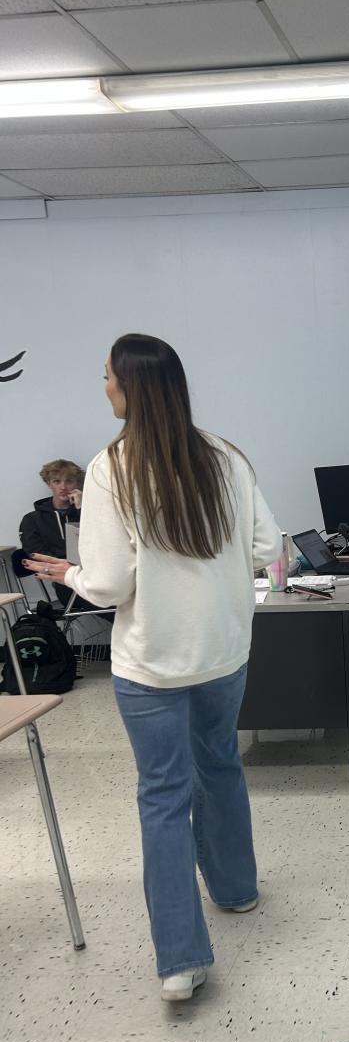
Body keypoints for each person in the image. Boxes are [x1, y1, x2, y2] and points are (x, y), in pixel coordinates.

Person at [25, 333, 282, 1002]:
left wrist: (69, 572)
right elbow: (267, 546)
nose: (104, 385)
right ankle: (237, 890)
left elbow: (109, 584)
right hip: (224, 652)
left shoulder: (111, 467)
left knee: (164, 795)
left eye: (107, 375)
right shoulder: (226, 455)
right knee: (220, 765)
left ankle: (181, 963)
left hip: (152, 664)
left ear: (131, 386)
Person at [19, 459, 85, 608]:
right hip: (63, 580)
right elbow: (36, 554)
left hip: (93, 575)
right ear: (49, 484)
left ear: (77, 484)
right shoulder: (32, 520)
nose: (63, 487)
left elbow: (102, 541)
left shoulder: (87, 513)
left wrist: (83, 509)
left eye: (69, 481)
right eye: (57, 481)